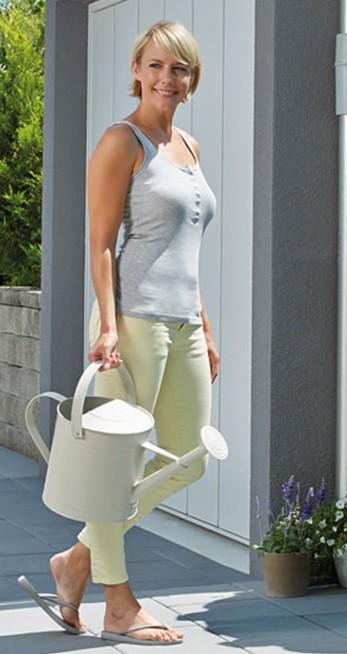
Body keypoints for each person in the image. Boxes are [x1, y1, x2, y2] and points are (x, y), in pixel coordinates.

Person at [44, 20, 218, 645]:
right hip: (133, 323)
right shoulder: (123, 142)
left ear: (191, 78)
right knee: (118, 468)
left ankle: (76, 559)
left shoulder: (189, 148)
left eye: (181, 69)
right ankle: (118, 603)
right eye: (157, 66)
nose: (168, 79)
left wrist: (206, 324)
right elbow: (100, 243)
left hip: (183, 322)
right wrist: (108, 325)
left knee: (189, 458)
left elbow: (185, 244)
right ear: (137, 69)